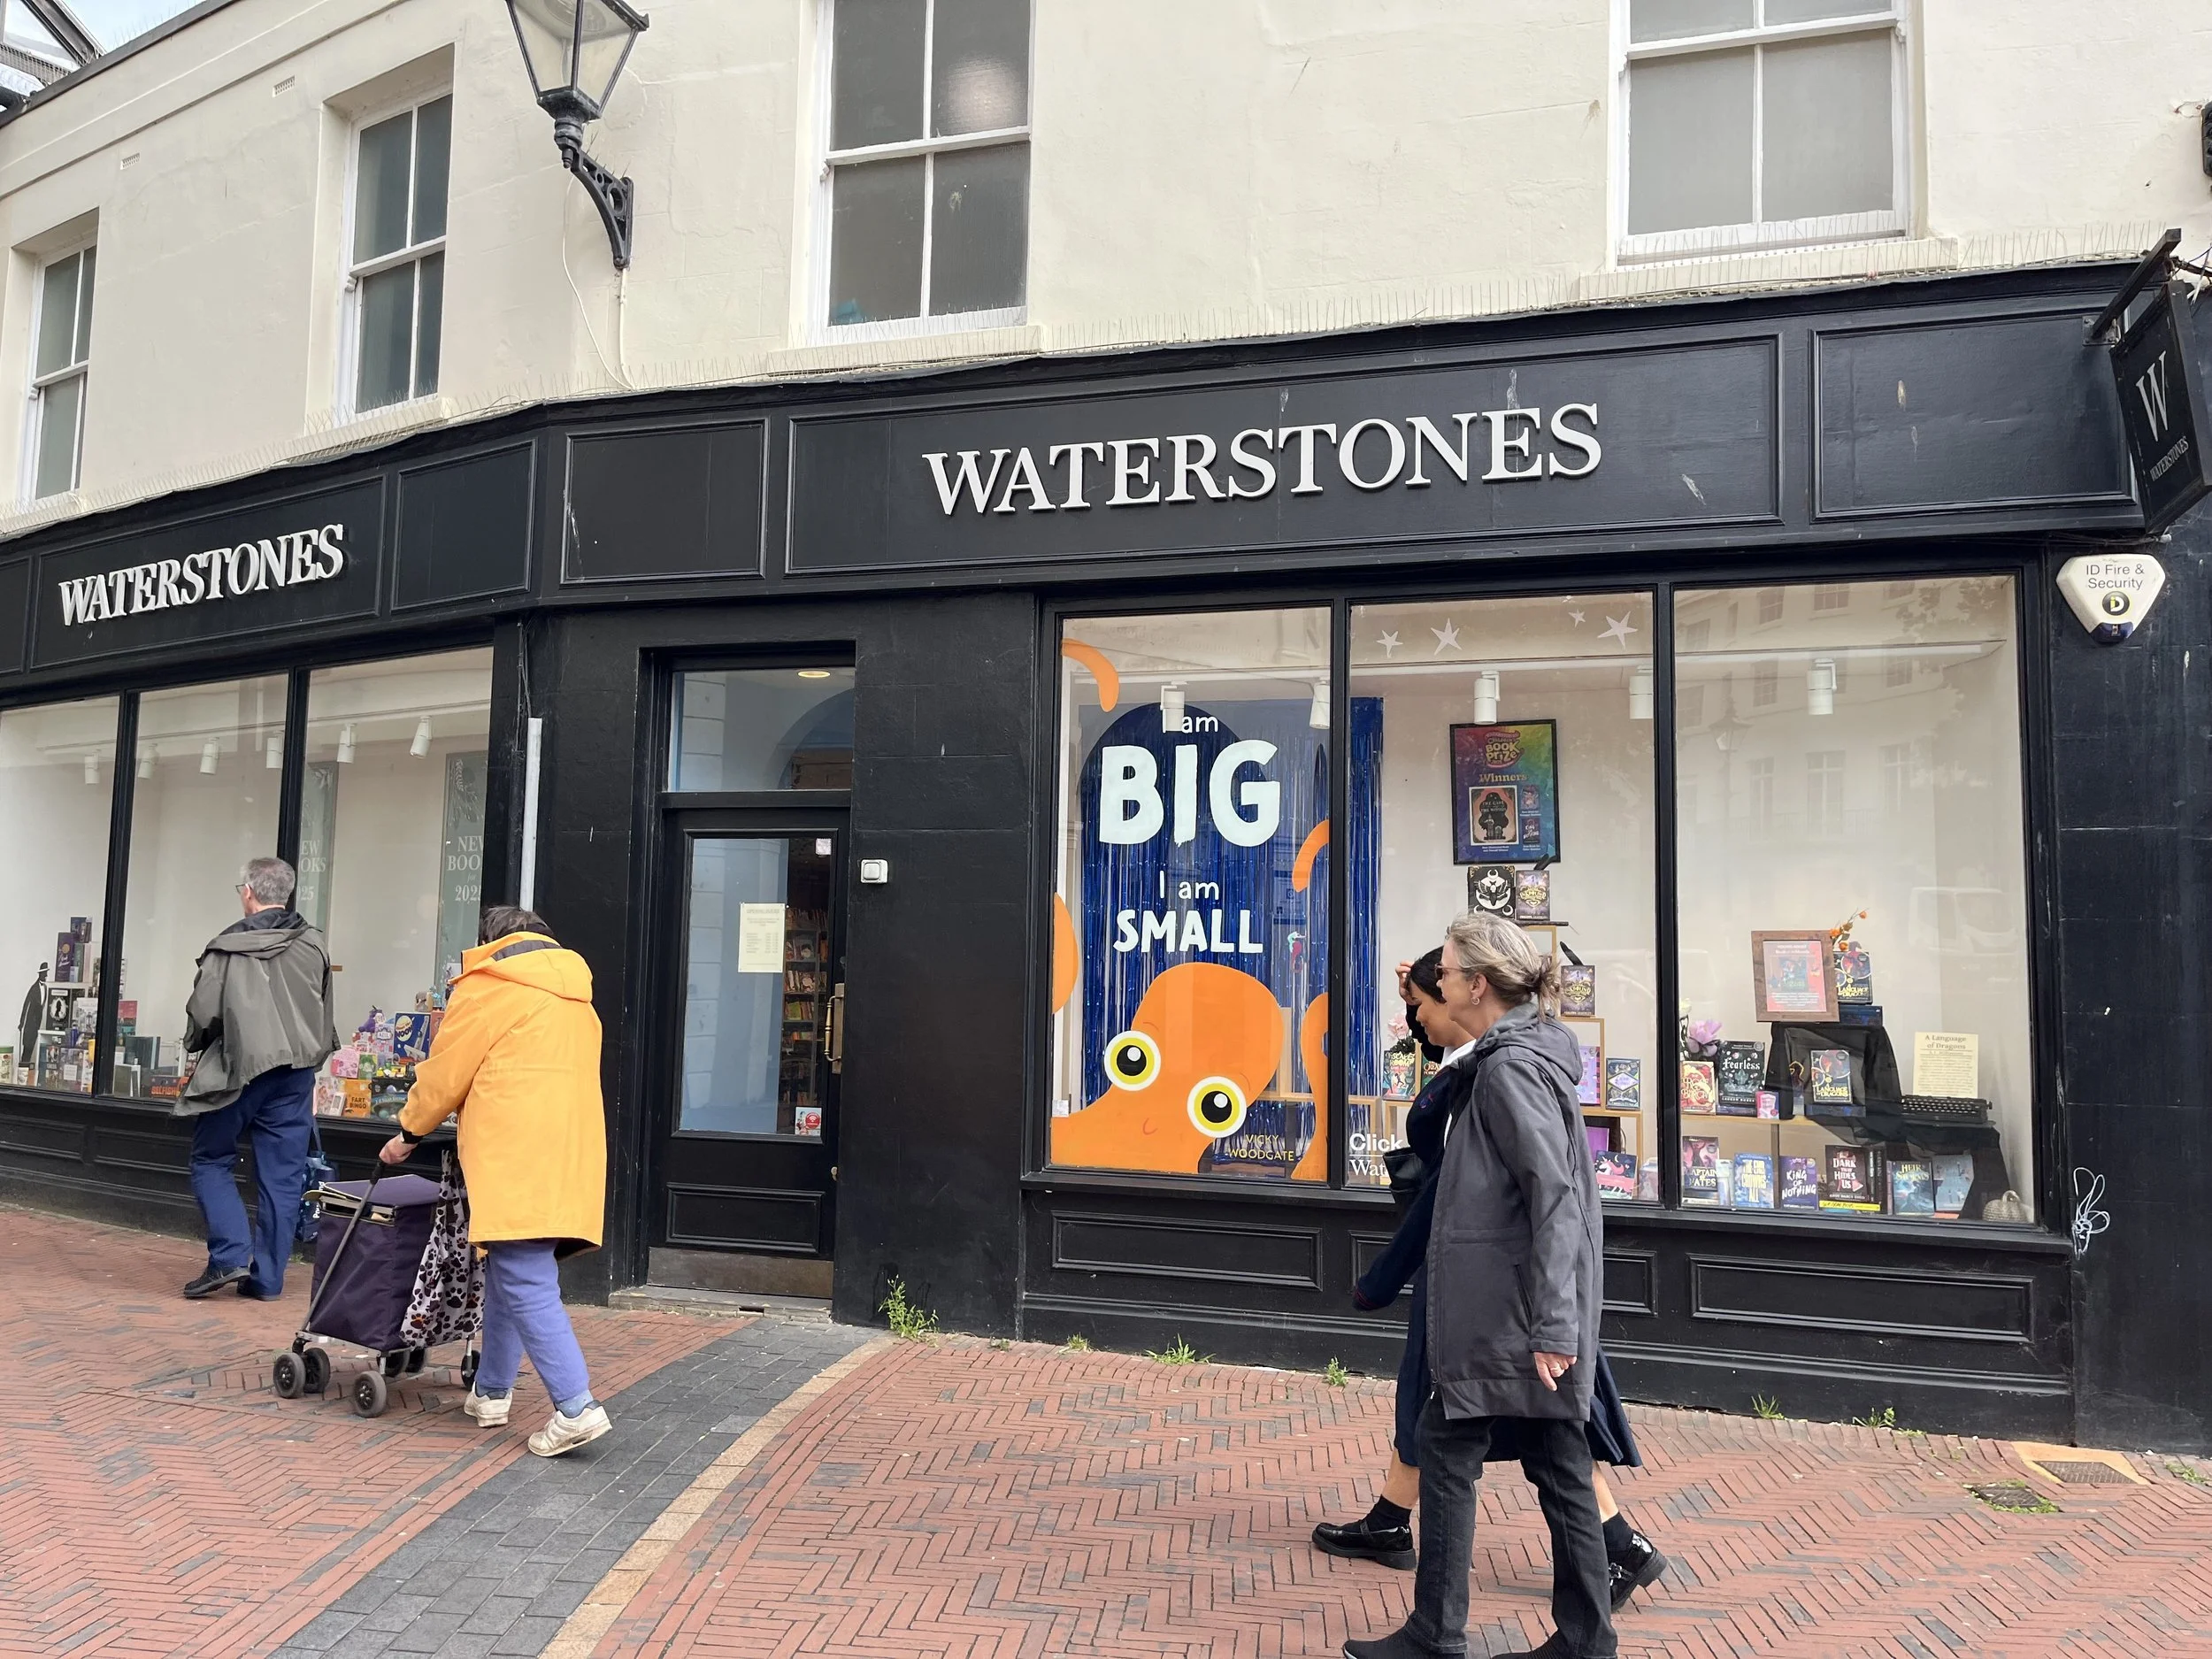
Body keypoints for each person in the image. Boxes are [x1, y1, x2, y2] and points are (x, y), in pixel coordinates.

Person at [1317, 949, 1667, 1614]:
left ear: (1471, 988)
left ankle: (1595, 1566)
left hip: (1497, 1288)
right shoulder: (1485, 1061)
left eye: (1430, 993)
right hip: (1488, 1280)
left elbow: (1551, 1195)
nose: (1418, 1013)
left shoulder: (1501, 1072)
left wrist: (1384, 1278)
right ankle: (1411, 1538)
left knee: (1520, 1430)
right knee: (1520, 1430)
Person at [379, 905, 611, 1458]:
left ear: (491, 943)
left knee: (525, 1275)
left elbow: (445, 1072)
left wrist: (409, 1131)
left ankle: (577, 1408)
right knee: (509, 1264)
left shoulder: (488, 988)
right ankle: (492, 1392)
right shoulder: (576, 995)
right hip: (571, 1150)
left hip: (514, 1151)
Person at [178, 856, 337, 1300]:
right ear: (284, 894)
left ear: (249, 892)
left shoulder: (227, 946)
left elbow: (203, 1012)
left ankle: (229, 1255)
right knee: (282, 1178)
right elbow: (324, 1012)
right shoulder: (314, 944)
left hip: (239, 1069)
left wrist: (197, 1042)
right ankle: (267, 1280)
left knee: (210, 1159)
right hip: (295, 1075)